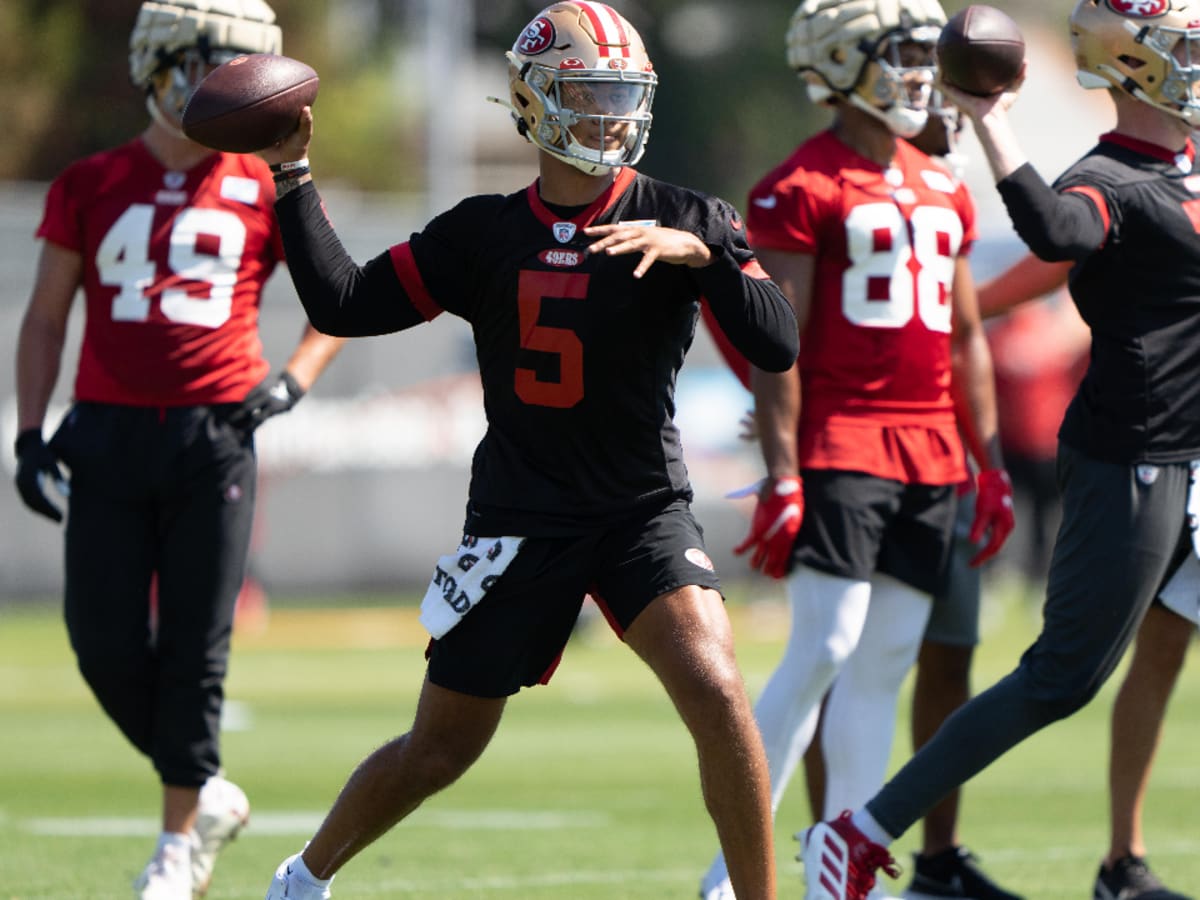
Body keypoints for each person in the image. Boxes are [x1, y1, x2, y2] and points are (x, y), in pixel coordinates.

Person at [257, 3, 799, 898]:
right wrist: (292, 176)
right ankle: (302, 879)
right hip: (519, 520)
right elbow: (343, 303)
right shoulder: (482, 234)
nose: (616, 118)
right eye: (592, 95)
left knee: (715, 683)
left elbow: (777, 341)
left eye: (626, 96)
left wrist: (703, 257)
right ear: (538, 103)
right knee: (439, 750)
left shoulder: (686, 215)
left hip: (639, 512)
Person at [798, 1, 1200, 897]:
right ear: (1136, 63)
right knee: (1061, 677)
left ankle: (1122, 868)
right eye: (1184, 48)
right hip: (1134, 459)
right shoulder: (1113, 176)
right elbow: (1057, 231)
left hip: (1190, 458)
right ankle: (861, 832)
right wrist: (993, 121)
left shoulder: (1185, 165)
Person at [11, 2, 345, 898]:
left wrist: (295, 379)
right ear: (159, 69)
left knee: (198, 648)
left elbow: (337, 299)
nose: (228, 90)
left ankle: (175, 843)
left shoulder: (260, 180)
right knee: (102, 643)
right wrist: (31, 429)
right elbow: (46, 317)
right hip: (109, 428)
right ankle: (207, 789)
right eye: (212, 68)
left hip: (215, 432)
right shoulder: (91, 181)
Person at [700, 0, 1015, 897]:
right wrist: (784, 470)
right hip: (843, 440)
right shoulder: (800, 185)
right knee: (824, 646)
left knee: (883, 663)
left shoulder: (944, 181)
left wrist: (987, 461)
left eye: (926, 51)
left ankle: (842, 869)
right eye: (904, 50)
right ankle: (732, 870)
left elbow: (965, 339)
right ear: (842, 62)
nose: (921, 69)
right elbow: (779, 340)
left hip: (930, 450)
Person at [977, 254, 1196, 900]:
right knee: (1074, 666)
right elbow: (1048, 292)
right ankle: (875, 825)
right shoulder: (1136, 193)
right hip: (1120, 462)